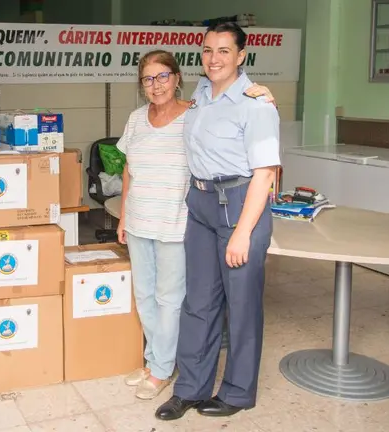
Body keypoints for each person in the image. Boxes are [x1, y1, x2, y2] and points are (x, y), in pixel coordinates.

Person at [116, 50, 277, 401]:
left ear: (176, 78)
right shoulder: (136, 119)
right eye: (148, 79)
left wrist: (264, 97)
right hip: (140, 220)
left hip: (175, 222)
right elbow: (128, 169)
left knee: (169, 299)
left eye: (163, 76)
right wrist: (124, 216)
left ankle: (162, 370)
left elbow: (232, 111)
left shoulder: (194, 113)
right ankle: (154, 360)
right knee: (144, 296)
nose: (156, 85)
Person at [155, 22, 281, 422]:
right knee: (198, 301)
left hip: (241, 204)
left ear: (241, 56)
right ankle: (190, 389)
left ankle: (238, 392)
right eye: (208, 50)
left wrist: (243, 232)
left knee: (241, 305)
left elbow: (265, 172)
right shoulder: (201, 93)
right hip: (202, 204)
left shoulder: (256, 104)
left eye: (224, 51)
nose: (214, 59)